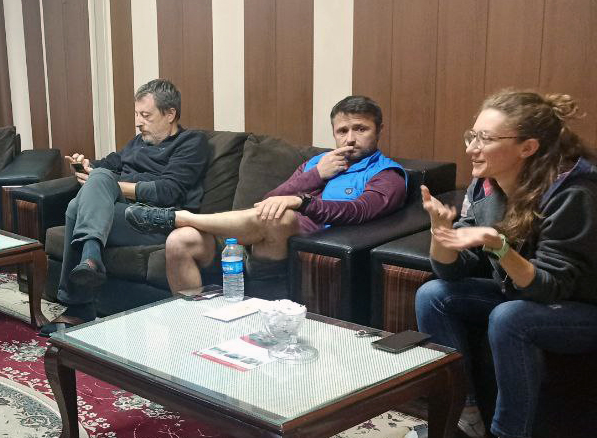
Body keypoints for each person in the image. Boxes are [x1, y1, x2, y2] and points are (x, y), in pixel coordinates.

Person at [403, 90, 597, 438]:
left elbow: (550, 287)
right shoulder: (486, 185)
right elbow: (453, 272)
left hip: (580, 308)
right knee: (434, 296)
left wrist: (498, 245)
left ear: (528, 147)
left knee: (511, 317)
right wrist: (441, 233)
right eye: (472, 135)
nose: (472, 148)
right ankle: (465, 417)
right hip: (526, 293)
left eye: (486, 139)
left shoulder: (573, 192)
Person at [127, 95, 407, 293]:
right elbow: (269, 199)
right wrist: (317, 174)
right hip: (255, 235)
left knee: (280, 216)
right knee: (180, 241)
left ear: (379, 131)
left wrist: (303, 202)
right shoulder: (318, 163)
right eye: (342, 131)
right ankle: (192, 327)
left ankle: (180, 217)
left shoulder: (387, 174)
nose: (350, 139)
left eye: (361, 129)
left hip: (306, 240)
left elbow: (359, 210)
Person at [38, 79, 209, 335]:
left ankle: (78, 305)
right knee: (83, 196)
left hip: (157, 218)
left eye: (146, 115)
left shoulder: (192, 142)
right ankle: (90, 260)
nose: (138, 122)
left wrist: (109, 184)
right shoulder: (138, 142)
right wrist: (87, 166)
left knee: (77, 206)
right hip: (122, 213)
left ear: (170, 114)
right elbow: (108, 164)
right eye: (137, 115)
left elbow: (167, 191)